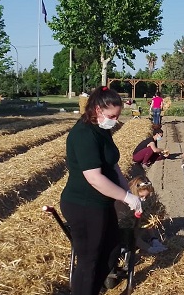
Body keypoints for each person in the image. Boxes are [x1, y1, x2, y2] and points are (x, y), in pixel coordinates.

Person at [60, 86, 142, 295]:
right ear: (97, 109)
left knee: (112, 250)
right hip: (84, 205)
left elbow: (113, 166)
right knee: (89, 261)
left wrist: (128, 193)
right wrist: (125, 197)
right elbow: (94, 178)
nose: (115, 120)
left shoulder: (102, 130)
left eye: (117, 116)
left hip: (102, 204)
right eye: (112, 116)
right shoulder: (84, 134)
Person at [125, 176, 168, 254]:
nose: (144, 199)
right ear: (134, 192)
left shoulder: (143, 203)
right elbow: (131, 235)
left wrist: (154, 239)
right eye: (141, 197)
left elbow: (148, 220)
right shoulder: (125, 206)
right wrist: (149, 249)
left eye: (146, 196)